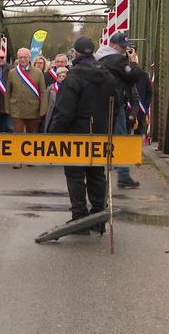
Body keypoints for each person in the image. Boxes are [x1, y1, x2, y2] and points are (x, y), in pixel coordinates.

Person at [48, 38, 118, 234]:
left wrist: (52, 134)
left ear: (76, 54)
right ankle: (98, 218)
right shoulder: (108, 76)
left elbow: (64, 111)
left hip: (76, 134)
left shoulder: (73, 77)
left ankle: (79, 218)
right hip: (100, 133)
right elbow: (117, 104)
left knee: (75, 175)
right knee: (96, 174)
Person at [94, 32, 141, 189]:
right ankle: (123, 176)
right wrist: (133, 62)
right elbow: (134, 76)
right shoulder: (117, 59)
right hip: (115, 103)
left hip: (100, 103)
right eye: (122, 47)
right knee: (121, 139)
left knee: (101, 138)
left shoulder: (99, 58)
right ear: (113, 45)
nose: (123, 50)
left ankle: (97, 173)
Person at [5, 48, 48, 168]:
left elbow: (43, 92)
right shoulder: (12, 72)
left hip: (33, 108)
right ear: (17, 58)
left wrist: (43, 109)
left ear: (29, 58)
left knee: (31, 133)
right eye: (20, 57)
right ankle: (17, 159)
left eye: (25, 57)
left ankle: (30, 157)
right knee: (17, 134)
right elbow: (8, 91)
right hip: (16, 108)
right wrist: (7, 107)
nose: (22, 60)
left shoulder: (38, 73)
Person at [44, 66, 69, 131]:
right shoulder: (51, 87)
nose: (61, 78)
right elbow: (46, 100)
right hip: (52, 113)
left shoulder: (69, 88)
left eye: (63, 76)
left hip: (65, 113)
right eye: (59, 76)